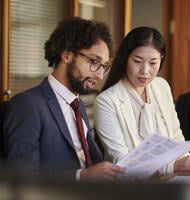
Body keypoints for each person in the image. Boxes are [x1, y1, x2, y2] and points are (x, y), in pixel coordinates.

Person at [2, 17, 125, 180]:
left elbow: (95, 162)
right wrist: (81, 176)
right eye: (94, 62)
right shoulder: (27, 105)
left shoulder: (79, 104)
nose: (100, 74)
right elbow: (22, 178)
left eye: (104, 66)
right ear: (67, 55)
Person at [94, 26, 190, 175]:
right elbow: (120, 160)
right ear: (126, 58)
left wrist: (187, 160)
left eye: (153, 63)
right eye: (138, 61)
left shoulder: (161, 86)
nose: (145, 71)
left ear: (162, 59)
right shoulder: (106, 101)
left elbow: (175, 134)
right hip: (132, 188)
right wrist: (173, 166)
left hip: (172, 180)